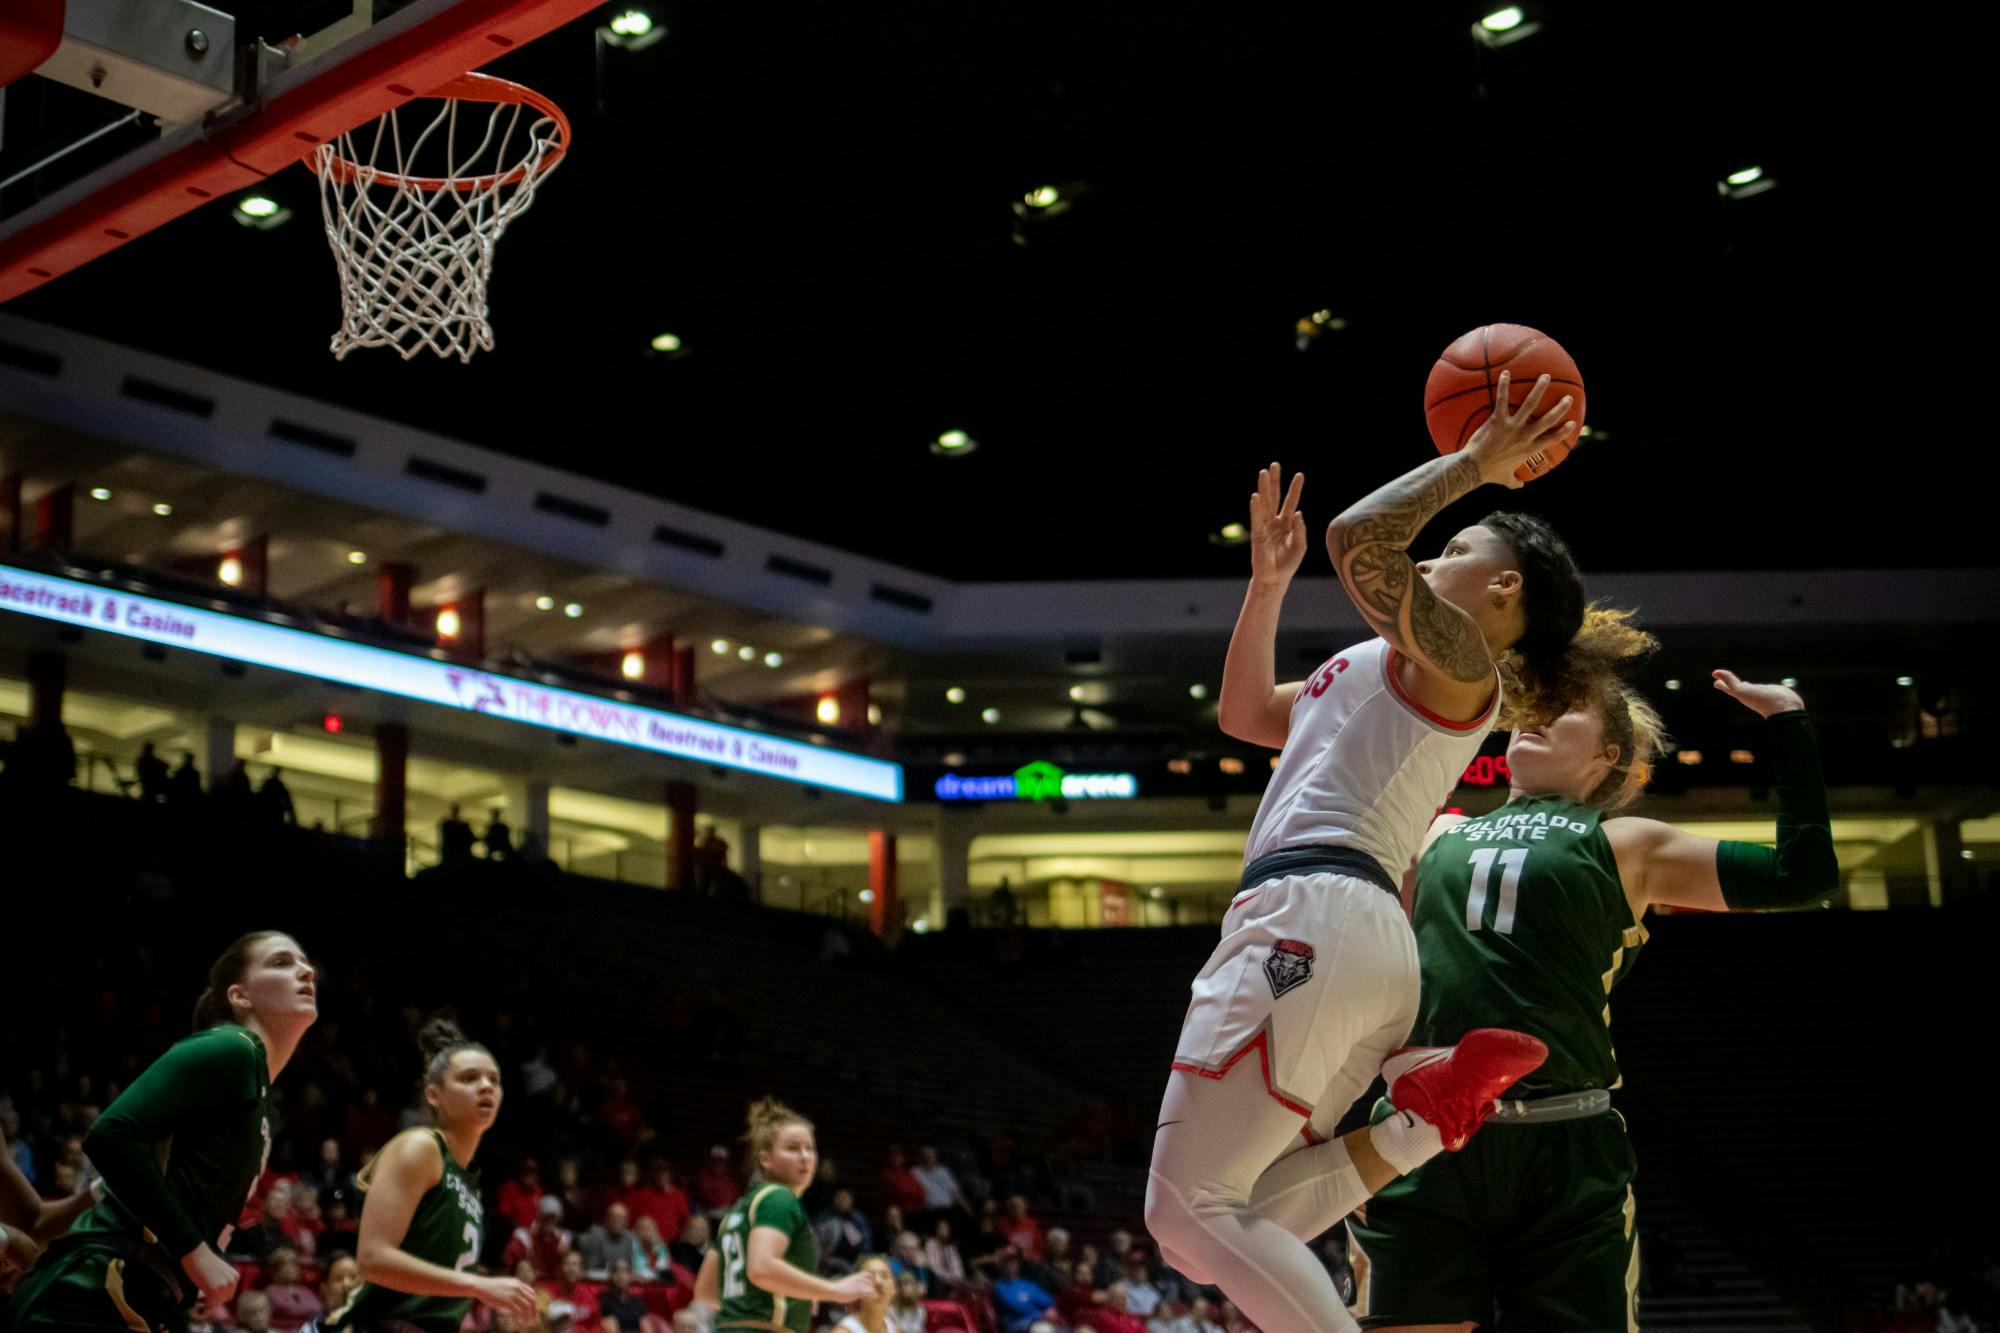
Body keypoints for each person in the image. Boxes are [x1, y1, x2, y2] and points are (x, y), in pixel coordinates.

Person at [1149, 392, 1650, 1333]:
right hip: (1353, 933)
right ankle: (1421, 1119)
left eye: (1459, 549)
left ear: (1506, 591)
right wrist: (1266, 585)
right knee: (1216, 1224)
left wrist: (1473, 465)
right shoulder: (1382, 660)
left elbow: (1359, 536)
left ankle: (1423, 1116)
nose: (1432, 554)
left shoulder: (1462, 661)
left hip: (1316, 908)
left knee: (1188, 1210)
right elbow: (1248, 715)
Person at [1353, 670, 1839, 1332]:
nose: (1537, 713)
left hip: (1566, 1138)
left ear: (1609, 753)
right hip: (1425, 1132)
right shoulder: (1434, 830)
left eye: (1564, 706)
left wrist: (1788, 720)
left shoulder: (1626, 842)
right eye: (1535, 700)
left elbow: (1802, 874)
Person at [7, 932, 318, 1333]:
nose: (306, 970)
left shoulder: (256, 1097)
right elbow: (111, 1134)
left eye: (304, 961)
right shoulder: (232, 1047)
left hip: (141, 1292)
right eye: (281, 962)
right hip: (92, 1287)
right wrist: (194, 1251)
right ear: (239, 996)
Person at [324, 1019, 535, 1333]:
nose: (487, 1086)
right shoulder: (421, 1147)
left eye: (494, 1079)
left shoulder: (470, 1187)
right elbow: (373, 1259)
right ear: (434, 1095)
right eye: (469, 1078)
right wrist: (478, 1286)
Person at [684, 1099, 876, 1333]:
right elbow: (762, 1268)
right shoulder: (779, 1197)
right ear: (766, 1159)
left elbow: (705, 1292)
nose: (805, 1156)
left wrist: (796, 1293)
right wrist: (834, 1290)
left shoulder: (739, 1209)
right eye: (793, 1148)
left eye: (810, 1148)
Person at [263, 1247, 324, 1331]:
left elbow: (319, 1309)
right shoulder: (271, 1291)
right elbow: (291, 1309)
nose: (290, 1269)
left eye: (293, 1264)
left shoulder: (305, 1291)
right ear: (274, 1270)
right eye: (284, 1265)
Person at [579, 1204, 644, 1279]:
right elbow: (591, 1266)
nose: (616, 1220)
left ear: (627, 1221)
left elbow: (632, 1265)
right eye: (613, 1216)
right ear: (606, 1219)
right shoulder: (595, 1235)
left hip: (621, 1279)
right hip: (597, 1280)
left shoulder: (630, 1238)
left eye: (620, 1218)